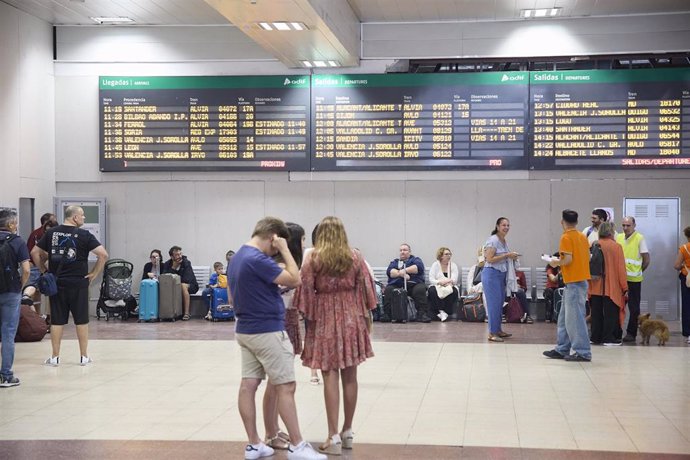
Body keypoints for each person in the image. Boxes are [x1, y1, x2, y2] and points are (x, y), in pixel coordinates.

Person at [227, 216, 325, 460]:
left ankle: (254, 444)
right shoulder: (257, 259)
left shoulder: (238, 256)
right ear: (273, 237)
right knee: (286, 386)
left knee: (248, 385)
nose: (276, 249)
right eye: (277, 243)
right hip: (267, 330)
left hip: (245, 330)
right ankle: (298, 445)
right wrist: (285, 250)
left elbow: (231, 298)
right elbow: (294, 278)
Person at [293, 216, 377, 456]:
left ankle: (333, 436)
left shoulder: (314, 258)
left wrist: (307, 317)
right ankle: (348, 431)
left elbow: (305, 290)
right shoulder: (355, 257)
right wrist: (364, 312)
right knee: (351, 376)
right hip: (352, 318)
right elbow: (367, 289)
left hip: (325, 320)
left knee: (329, 376)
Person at [31, 205, 108, 366]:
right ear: (75, 218)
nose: (84, 218)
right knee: (81, 320)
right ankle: (83, 356)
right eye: (82, 216)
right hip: (79, 283)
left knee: (57, 321)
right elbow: (103, 254)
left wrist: (44, 270)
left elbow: (34, 253)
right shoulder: (85, 235)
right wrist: (94, 273)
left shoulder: (51, 233)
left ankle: (55, 357)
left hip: (57, 284)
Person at [263, 222, 305, 451]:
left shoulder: (289, 264)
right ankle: (270, 432)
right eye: (303, 239)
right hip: (279, 322)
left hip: (288, 320)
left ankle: (274, 429)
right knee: (276, 382)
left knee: (277, 381)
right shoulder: (280, 265)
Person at [543, 209, 592, 362]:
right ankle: (562, 348)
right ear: (576, 222)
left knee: (575, 319)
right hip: (579, 281)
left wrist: (554, 262)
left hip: (574, 282)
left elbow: (568, 259)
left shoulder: (566, 237)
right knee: (564, 318)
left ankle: (583, 352)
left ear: (562, 221)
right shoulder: (582, 237)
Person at [0, 210, 31, 387]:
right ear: (11, 225)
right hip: (10, 291)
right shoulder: (17, 241)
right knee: (8, 333)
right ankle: (6, 375)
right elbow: (26, 269)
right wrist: (20, 285)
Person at [588, 222, 628, 346]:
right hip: (611, 286)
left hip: (595, 285)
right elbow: (621, 269)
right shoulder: (616, 247)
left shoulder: (594, 245)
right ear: (611, 232)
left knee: (596, 313)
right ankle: (609, 338)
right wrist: (625, 287)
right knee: (611, 314)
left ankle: (595, 337)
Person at [482, 217, 519, 342]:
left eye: (508, 225)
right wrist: (508, 255)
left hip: (501, 275)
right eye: (504, 225)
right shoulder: (493, 240)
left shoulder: (503, 240)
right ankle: (492, 333)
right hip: (491, 275)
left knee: (499, 304)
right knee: (493, 305)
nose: (506, 227)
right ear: (497, 226)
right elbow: (489, 259)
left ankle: (498, 330)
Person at [615, 216, 650, 344]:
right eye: (623, 225)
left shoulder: (639, 238)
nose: (625, 228)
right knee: (618, 306)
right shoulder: (618, 237)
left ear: (634, 225)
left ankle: (631, 333)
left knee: (634, 308)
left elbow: (646, 259)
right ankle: (617, 332)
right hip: (620, 279)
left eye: (628, 225)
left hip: (634, 279)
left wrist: (639, 271)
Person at [381, 243, 430, 323]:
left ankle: (422, 314)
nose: (402, 252)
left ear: (409, 252)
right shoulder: (395, 262)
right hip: (398, 285)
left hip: (414, 284)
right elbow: (390, 272)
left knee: (420, 289)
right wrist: (402, 274)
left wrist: (404, 270)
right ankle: (388, 314)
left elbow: (417, 268)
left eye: (405, 250)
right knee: (389, 289)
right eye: (401, 250)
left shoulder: (415, 260)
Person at [25, 213, 57, 314]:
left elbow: (31, 251)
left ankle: (36, 316)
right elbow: (34, 252)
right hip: (40, 266)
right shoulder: (47, 234)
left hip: (35, 265)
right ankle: (47, 317)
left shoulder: (36, 233)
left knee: (35, 291)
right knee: (50, 291)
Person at [161, 246, 199, 321]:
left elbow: (187, 279)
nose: (180, 256)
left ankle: (186, 313)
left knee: (182, 285)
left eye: (180, 254)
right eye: (177, 255)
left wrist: (174, 274)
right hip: (173, 287)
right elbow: (165, 277)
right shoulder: (167, 264)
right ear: (172, 256)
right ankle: (169, 313)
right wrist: (173, 268)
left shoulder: (186, 262)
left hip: (191, 286)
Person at [427, 247, 459, 322]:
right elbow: (431, 279)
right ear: (441, 256)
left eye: (449, 254)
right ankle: (441, 311)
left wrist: (447, 282)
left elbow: (454, 279)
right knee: (432, 291)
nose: (449, 256)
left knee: (454, 291)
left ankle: (445, 311)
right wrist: (439, 282)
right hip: (437, 285)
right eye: (446, 254)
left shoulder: (453, 265)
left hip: (449, 285)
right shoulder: (435, 265)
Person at [673, 226, 690, 344]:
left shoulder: (684, 248)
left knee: (687, 305)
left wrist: (684, 265)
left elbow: (676, 265)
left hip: (687, 278)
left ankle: (688, 334)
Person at [543, 252, 561, 323]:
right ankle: (548, 316)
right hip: (551, 288)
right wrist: (561, 272)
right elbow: (553, 279)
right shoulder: (550, 268)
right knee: (550, 292)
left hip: (560, 288)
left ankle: (558, 316)